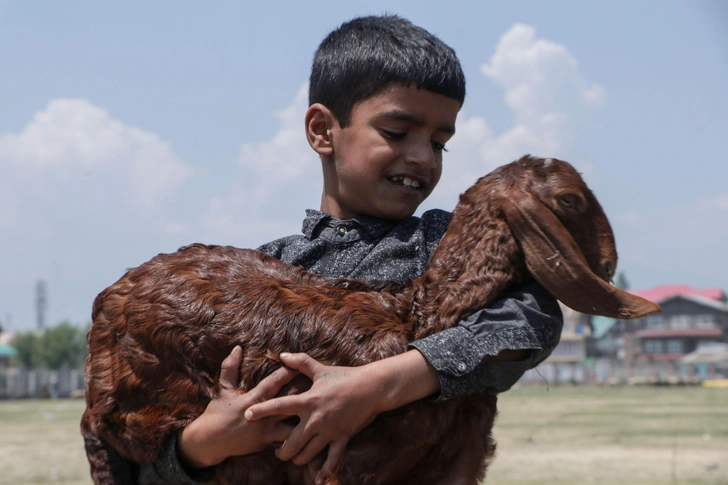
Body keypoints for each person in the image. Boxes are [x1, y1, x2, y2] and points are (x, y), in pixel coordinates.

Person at [137, 15, 563, 485]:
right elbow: (142, 462)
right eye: (397, 132)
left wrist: (375, 387)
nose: (423, 156)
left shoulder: (446, 247)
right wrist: (203, 445)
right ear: (322, 130)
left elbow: (531, 319)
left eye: (440, 143)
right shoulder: (254, 275)